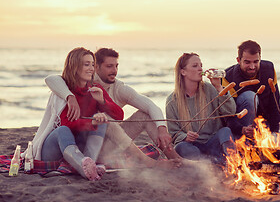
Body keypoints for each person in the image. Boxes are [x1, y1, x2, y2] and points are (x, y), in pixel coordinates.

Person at [45, 48, 181, 166]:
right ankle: (147, 162)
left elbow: (148, 106)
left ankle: (177, 159)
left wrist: (162, 128)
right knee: (106, 121)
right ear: (97, 68)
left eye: (116, 66)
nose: (114, 71)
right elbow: (52, 79)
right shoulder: (77, 83)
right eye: (109, 66)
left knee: (141, 116)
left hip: (110, 140)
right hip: (87, 139)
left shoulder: (116, 88)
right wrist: (69, 96)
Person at [23, 47, 124, 180]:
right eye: (86, 64)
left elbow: (119, 115)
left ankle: (89, 164)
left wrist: (102, 101)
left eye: (92, 64)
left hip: (79, 145)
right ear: (75, 66)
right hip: (55, 147)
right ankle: (83, 166)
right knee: (62, 130)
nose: (91, 68)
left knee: (102, 123)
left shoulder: (96, 89)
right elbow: (66, 123)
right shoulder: (63, 91)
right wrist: (91, 121)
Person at [166, 53, 236, 164]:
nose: (200, 69)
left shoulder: (210, 89)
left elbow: (230, 112)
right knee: (181, 147)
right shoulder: (172, 101)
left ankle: (232, 166)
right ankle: (209, 167)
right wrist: (185, 137)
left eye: (201, 65)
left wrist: (218, 87)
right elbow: (173, 133)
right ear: (183, 72)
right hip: (192, 148)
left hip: (213, 144)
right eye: (195, 66)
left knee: (225, 131)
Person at [222, 40, 280, 138]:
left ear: (260, 58)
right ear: (238, 60)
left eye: (256, 61)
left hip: (262, 123)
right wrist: (241, 129)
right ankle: (244, 142)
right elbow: (227, 116)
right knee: (250, 96)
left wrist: (275, 132)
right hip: (239, 126)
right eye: (247, 62)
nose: (252, 66)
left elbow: (275, 104)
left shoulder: (269, 70)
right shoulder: (228, 77)